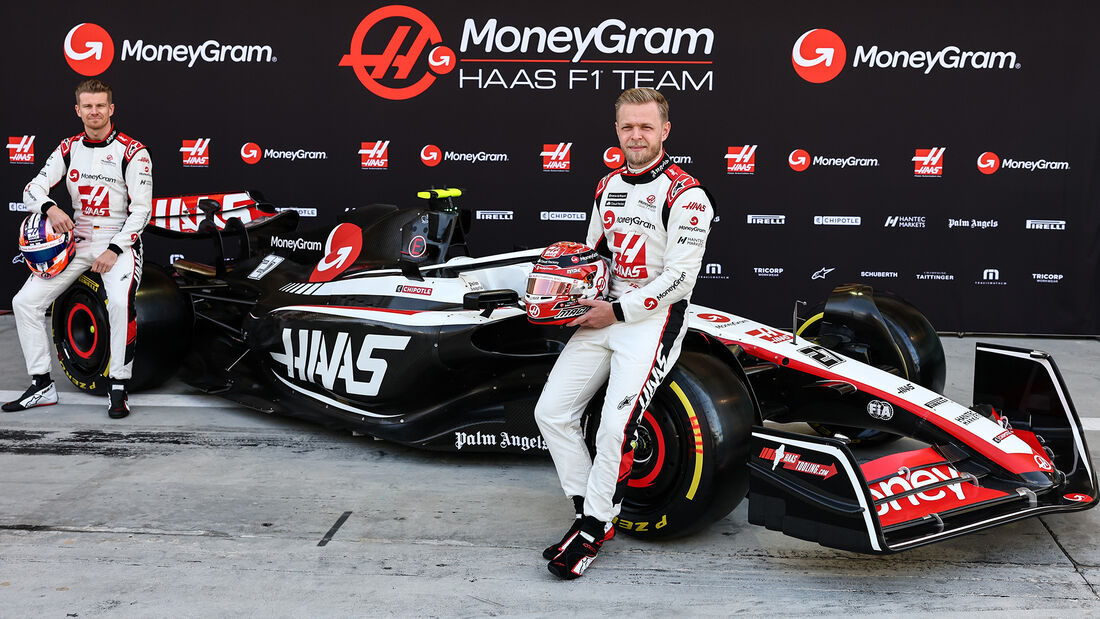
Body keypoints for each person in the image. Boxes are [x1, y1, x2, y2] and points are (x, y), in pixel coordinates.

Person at [534, 88, 715, 579]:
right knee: (551, 412)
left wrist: (616, 311)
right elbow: (595, 255)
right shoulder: (606, 185)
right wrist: (571, 299)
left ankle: (593, 529)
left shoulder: (687, 195)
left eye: (646, 127)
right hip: (602, 313)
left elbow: (681, 279)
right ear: (617, 131)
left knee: (616, 427)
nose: (637, 135)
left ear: (665, 131)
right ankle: (586, 510)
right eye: (628, 127)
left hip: (651, 322)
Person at [3, 79, 152, 418]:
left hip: (119, 242)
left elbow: (142, 211)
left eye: (100, 105)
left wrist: (114, 249)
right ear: (78, 110)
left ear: (111, 109)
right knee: (24, 302)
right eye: (88, 106)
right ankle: (41, 385)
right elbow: (32, 189)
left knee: (117, 302)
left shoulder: (133, 151)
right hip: (77, 239)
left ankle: (118, 387)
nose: (94, 111)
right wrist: (50, 208)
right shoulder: (68, 148)